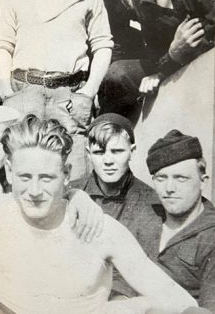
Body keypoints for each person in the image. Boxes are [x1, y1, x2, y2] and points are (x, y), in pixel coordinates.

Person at [0, 115, 197, 313]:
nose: (34, 191)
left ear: (66, 174)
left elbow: (180, 301)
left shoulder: (99, 230)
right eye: (24, 177)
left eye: (46, 178)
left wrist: (131, 307)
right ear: (9, 171)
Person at [0, 0, 113, 180]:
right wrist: (5, 93)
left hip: (69, 96)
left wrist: (88, 93)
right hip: (25, 93)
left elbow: (103, 45)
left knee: (74, 176)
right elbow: (3, 45)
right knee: (24, 174)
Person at [146, 130, 215, 313]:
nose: (169, 188)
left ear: (203, 181)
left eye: (181, 178)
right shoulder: (146, 221)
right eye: (161, 178)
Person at [69, 113, 159, 297]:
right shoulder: (72, 192)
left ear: (132, 151)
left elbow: (145, 272)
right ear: (88, 154)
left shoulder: (151, 203)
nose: (108, 161)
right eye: (99, 152)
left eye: (117, 151)